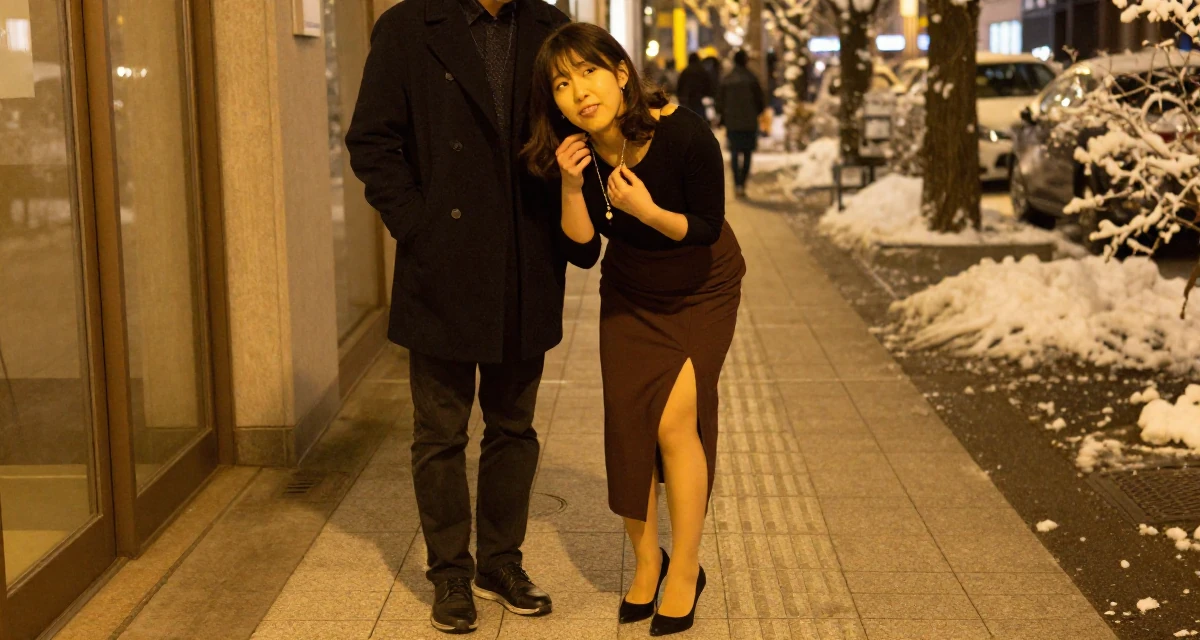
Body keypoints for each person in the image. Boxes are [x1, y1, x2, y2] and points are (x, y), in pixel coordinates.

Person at [345, 0, 570, 633]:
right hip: (441, 263)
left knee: (513, 427)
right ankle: (449, 572)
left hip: (525, 259)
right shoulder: (409, 25)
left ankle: (500, 563)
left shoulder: (549, 27)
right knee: (440, 433)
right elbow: (372, 140)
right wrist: (417, 225)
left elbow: (584, 117)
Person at [522, 23, 746, 637]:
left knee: (674, 421)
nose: (579, 93)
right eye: (563, 84)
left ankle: (687, 569)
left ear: (621, 73)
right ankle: (649, 563)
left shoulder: (686, 135)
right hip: (631, 288)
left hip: (702, 282)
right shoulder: (576, 149)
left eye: (589, 73)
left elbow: (704, 227)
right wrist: (571, 184)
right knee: (627, 424)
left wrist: (648, 211)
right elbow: (583, 251)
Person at [716, 50, 766, 198]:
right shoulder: (752, 78)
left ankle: (737, 183)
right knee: (747, 152)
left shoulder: (727, 79)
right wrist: (755, 113)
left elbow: (719, 101)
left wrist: (723, 115)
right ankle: (743, 183)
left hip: (732, 122)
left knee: (734, 152)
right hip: (749, 122)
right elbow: (760, 101)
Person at [675, 52, 713, 121]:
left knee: (689, 119)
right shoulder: (702, 70)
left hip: (687, 99)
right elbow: (708, 85)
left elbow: (679, 86)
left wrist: (680, 98)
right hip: (700, 99)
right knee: (700, 119)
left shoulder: (685, 71)